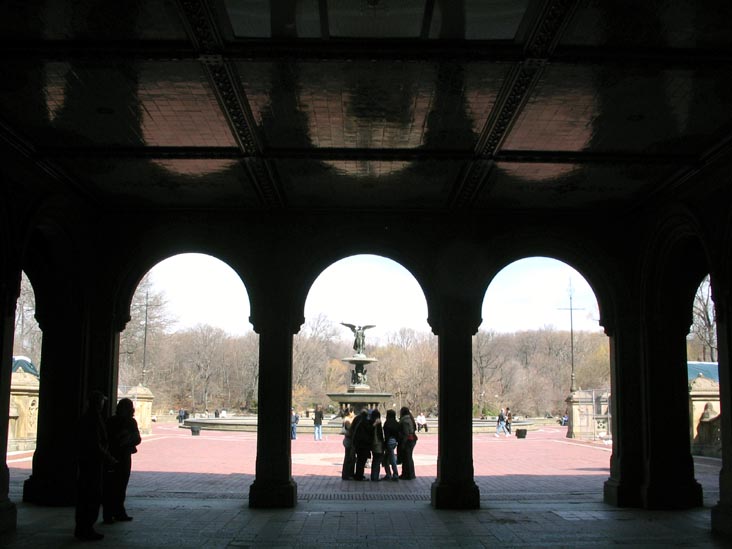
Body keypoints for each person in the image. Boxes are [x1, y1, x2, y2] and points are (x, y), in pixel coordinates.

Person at [75, 390, 116, 541]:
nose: (104, 404)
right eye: (102, 401)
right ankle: (86, 528)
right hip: (92, 462)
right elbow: (95, 443)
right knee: (91, 495)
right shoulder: (93, 419)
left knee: (88, 495)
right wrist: (108, 458)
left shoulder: (90, 417)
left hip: (90, 461)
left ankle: (83, 527)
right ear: (98, 403)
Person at [103, 398, 141, 524]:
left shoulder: (110, 421)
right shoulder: (130, 422)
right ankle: (118, 511)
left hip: (112, 455)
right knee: (120, 485)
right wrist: (127, 441)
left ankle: (109, 513)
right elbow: (137, 439)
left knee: (111, 485)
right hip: (123, 456)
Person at [351, 410, 373, 480]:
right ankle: (359, 475)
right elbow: (369, 429)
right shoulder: (365, 421)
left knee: (359, 460)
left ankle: (358, 474)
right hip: (363, 443)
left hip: (357, 443)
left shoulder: (357, 419)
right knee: (362, 460)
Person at [398, 406, 417, 480]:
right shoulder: (410, 419)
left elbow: (406, 433)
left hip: (407, 441)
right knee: (409, 458)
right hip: (412, 439)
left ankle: (406, 474)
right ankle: (411, 474)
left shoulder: (404, 421)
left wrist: (403, 443)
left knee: (406, 458)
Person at [382, 409, 400, 481]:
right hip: (394, 441)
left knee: (389, 458)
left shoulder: (387, 423)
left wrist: (385, 444)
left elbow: (386, 435)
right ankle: (391, 474)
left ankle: (393, 474)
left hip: (389, 441)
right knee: (388, 458)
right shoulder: (396, 423)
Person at [369, 409, 385, 481]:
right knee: (377, 460)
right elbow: (380, 435)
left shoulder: (370, 422)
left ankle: (373, 476)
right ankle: (375, 477)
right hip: (378, 444)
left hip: (372, 444)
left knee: (375, 460)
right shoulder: (377, 423)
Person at [341, 408, 356, 480]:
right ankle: (347, 474)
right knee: (349, 458)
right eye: (353, 412)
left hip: (349, 440)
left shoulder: (348, 419)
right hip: (349, 440)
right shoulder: (347, 420)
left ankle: (349, 474)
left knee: (350, 457)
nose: (354, 414)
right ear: (350, 412)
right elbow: (350, 429)